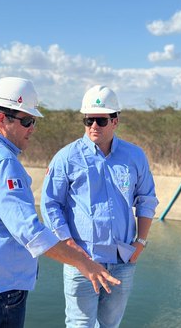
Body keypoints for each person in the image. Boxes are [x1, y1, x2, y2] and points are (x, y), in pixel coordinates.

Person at [0, 77, 120, 328]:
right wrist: (83, 263)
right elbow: (29, 231)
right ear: (0, 119)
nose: (32, 128)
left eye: (34, 121)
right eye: (27, 121)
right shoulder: (1, 160)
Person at [41, 85, 159, 328]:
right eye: (88, 120)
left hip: (122, 261)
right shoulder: (66, 157)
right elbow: (50, 203)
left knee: (109, 325)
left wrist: (141, 242)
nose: (93, 125)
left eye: (101, 120)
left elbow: (147, 199)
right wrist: (68, 244)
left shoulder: (134, 156)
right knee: (80, 324)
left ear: (115, 121)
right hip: (82, 261)